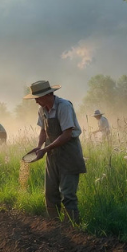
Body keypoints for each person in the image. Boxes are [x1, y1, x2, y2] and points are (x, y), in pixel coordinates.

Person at [25, 80, 87, 224]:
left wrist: (45, 149)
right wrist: (39, 146)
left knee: (67, 194)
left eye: (38, 98)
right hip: (52, 155)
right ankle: (55, 228)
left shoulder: (64, 106)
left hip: (69, 154)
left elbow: (67, 134)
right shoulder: (42, 110)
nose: (36, 102)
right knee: (50, 193)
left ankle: (73, 228)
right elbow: (43, 130)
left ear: (48, 94)